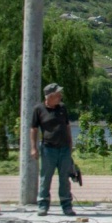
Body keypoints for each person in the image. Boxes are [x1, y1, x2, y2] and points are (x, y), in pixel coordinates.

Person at [29, 83, 76, 216]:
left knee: (64, 178)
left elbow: (67, 126)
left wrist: (70, 144)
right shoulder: (38, 109)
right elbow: (33, 129)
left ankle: (67, 206)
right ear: (50, 96)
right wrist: (33, 148)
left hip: (64, 149)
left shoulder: (62, 108)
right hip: (48, 149)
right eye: (57, 94)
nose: (60, 96)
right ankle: (43, 205)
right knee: (46, 178)